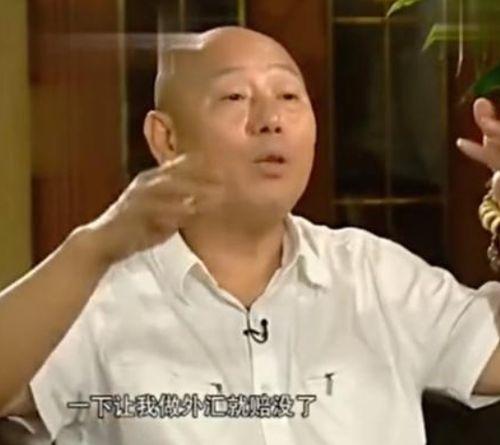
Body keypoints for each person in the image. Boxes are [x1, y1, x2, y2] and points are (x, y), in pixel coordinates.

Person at [0, 26, 500, 445]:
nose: (270, 121)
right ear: (165, 138)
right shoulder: (101, 296)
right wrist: (93, 246)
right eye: (235, 97)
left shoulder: (375, 276)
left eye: (288, 96)